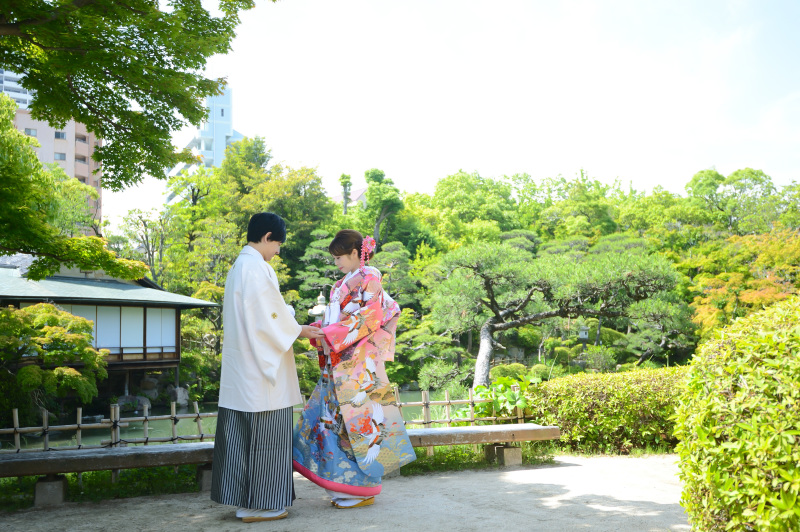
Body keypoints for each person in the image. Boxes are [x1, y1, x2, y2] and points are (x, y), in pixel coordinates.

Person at [211, 212, 325, 523]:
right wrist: (298, 329)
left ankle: (244, 502)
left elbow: (264, 314)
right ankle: (262, 505)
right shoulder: (256, 268)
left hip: (242, 367)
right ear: (267, 237)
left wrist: (289, 322)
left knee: (241, 438)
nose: (278, 251)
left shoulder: (240, 266)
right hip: (261, 372)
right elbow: (268, 318)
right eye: (278, 244)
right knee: (266, 439)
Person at [292, 229, 416, 509]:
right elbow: (337, 319)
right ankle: (343, 486)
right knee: (333, 423)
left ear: (354, 254)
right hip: (339, 360)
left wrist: (331, 333)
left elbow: (370, 317)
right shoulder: (340, 285)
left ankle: (361, 489)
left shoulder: (370, 277)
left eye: (339, 257)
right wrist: (321, 330)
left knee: (358, 427)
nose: (336, 262)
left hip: (358, 363)